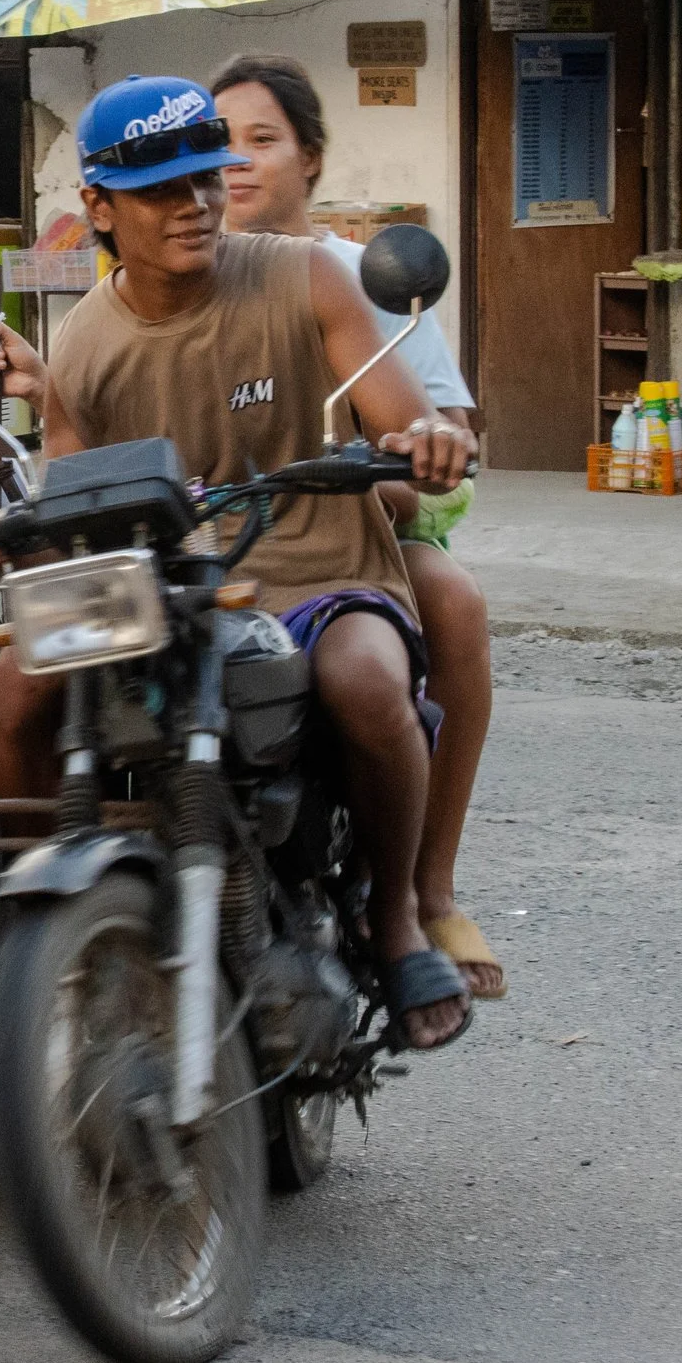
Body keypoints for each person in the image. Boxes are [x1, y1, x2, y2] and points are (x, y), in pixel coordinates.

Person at [0, 74, 478, 1051]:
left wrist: (427, 439)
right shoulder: (81, 343)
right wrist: (22, 512)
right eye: (162, 190)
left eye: (205, 179)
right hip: (160, 590)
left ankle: (396, 919)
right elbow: (75, 501)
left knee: (367, 680)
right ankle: (43, 922)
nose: (195, 204)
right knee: (18, 681)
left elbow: (401, 417)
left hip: (317, 568)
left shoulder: (307, 276)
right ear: (100, 208)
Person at [211, 51, 504, 1001]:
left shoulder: (359, 276)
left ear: (311, 157)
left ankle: (424, 890)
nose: (236, 162)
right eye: (218, 143)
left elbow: (447, 447)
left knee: (452, 597)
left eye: (262, 139)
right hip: (217, 544)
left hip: (361, 533)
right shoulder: (174, 277)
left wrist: (406, 471)